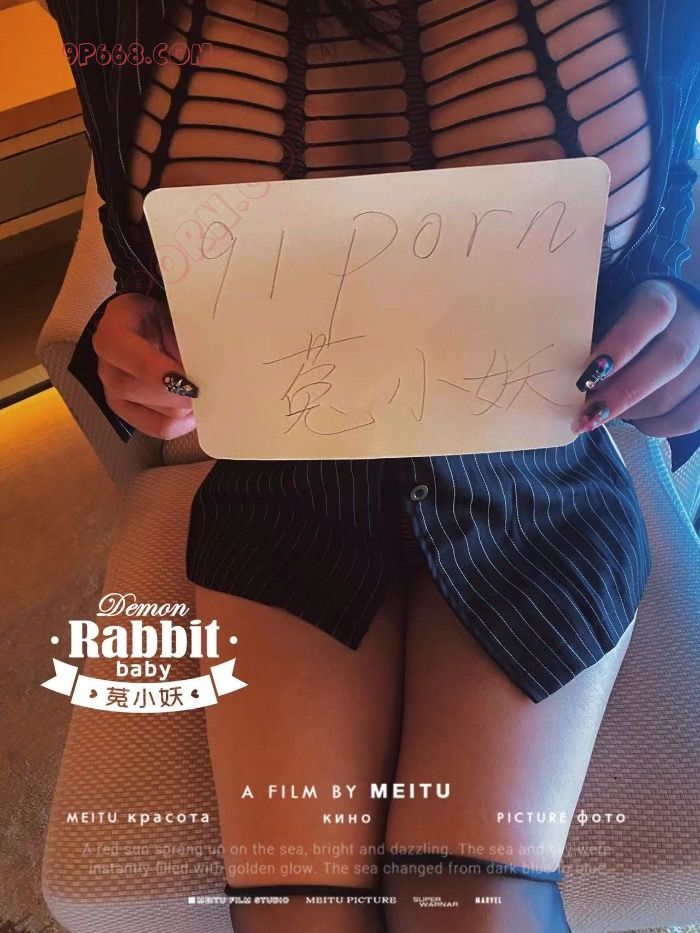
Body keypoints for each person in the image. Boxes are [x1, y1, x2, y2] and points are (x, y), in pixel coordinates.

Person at [47, 0, 700, 929]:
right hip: (281, 483)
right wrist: (128, 333)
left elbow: (670, 205)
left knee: (472, 906)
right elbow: (140, 262)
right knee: (300, 907)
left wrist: (681, 308)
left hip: (535, 488)